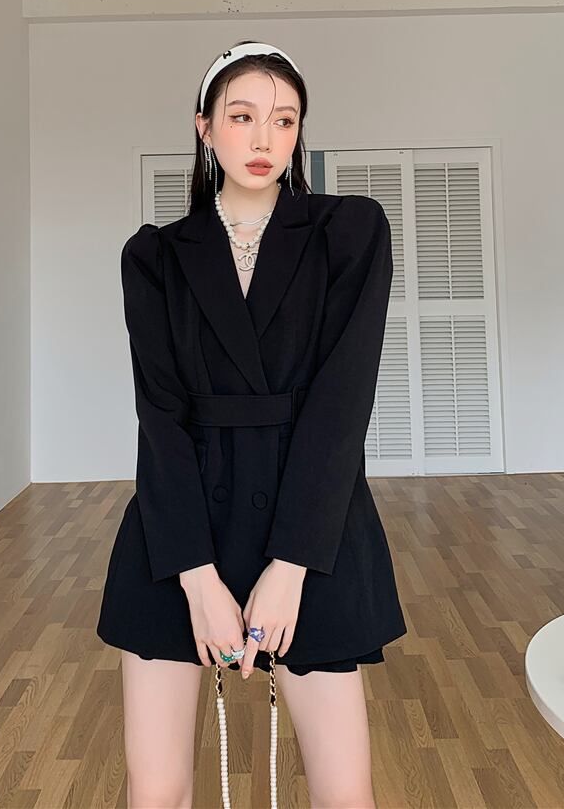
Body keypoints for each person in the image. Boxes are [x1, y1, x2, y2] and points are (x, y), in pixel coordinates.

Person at [97, 40, 407, 809]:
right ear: (204, 127)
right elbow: (160, 419)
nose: (264, 138)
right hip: (181, 530)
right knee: (156, 789)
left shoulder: (350, 231)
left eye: (284, 120)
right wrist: (196, 576)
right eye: (242, 116)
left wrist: (290, 564)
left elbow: (341, 407)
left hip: (312, 525)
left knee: (345, 793)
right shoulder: (155, 257)